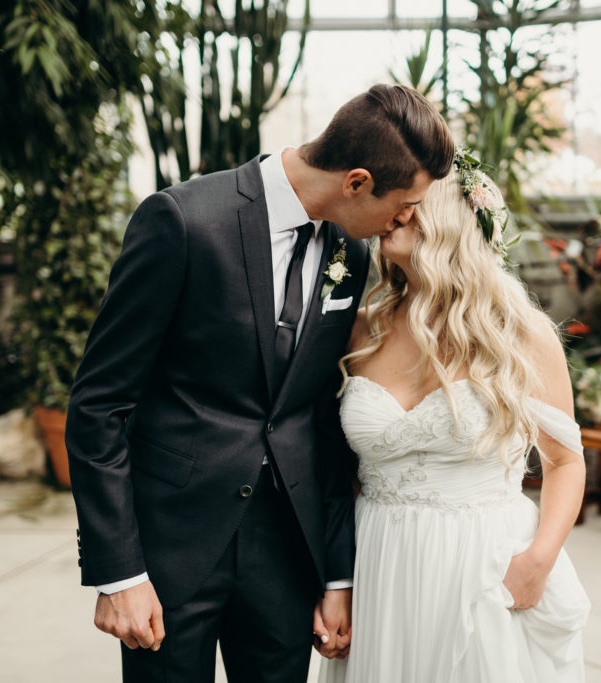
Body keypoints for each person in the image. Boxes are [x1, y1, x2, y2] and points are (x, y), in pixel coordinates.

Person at [64, 84, 455, 682]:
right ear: (356, 181)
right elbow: (99, 404)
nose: (405, 221)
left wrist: (336, 574)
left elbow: (322, 413)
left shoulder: (350, 249)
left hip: (286, 558)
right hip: (172, 552)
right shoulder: (183, 221)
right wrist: (121, 573)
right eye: (402, 204)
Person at [319, 152, 591, 683]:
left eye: (409, 205)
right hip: (381, 561)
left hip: (481, 564)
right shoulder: (361, 328)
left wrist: (538, 560)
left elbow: (564, 462)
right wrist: (338, 583)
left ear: (447, 222)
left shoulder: (521, 334)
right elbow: (340, 473)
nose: (392, 215)